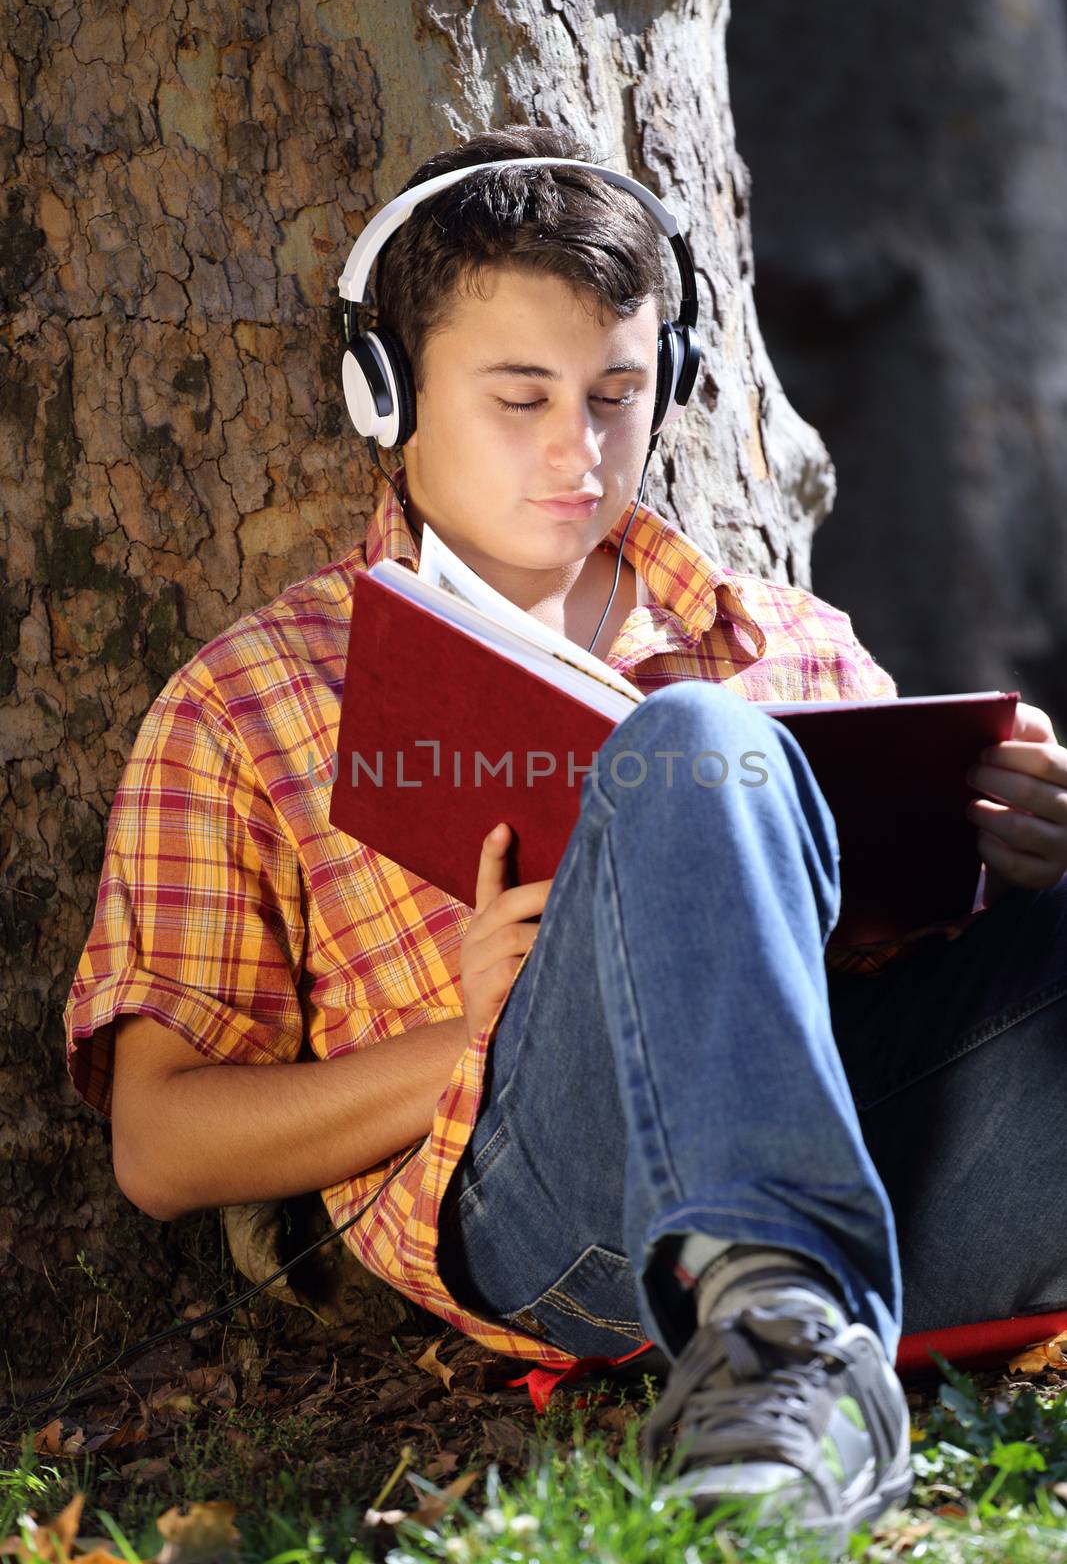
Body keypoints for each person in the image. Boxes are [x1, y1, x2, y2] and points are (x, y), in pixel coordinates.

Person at [63, 125, 1067, 1551]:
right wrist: (470, 1034)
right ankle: (780, 1358)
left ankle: (794, 1336)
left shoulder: (784, 637)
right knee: (700, 744)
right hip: (552, 1211)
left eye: (616, 395)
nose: (576, 452)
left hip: (875, 1139)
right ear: (388, 395)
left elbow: (946, 982)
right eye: (519, 397)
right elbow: (160, 1146)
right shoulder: (252, 702)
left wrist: (1023, 855)